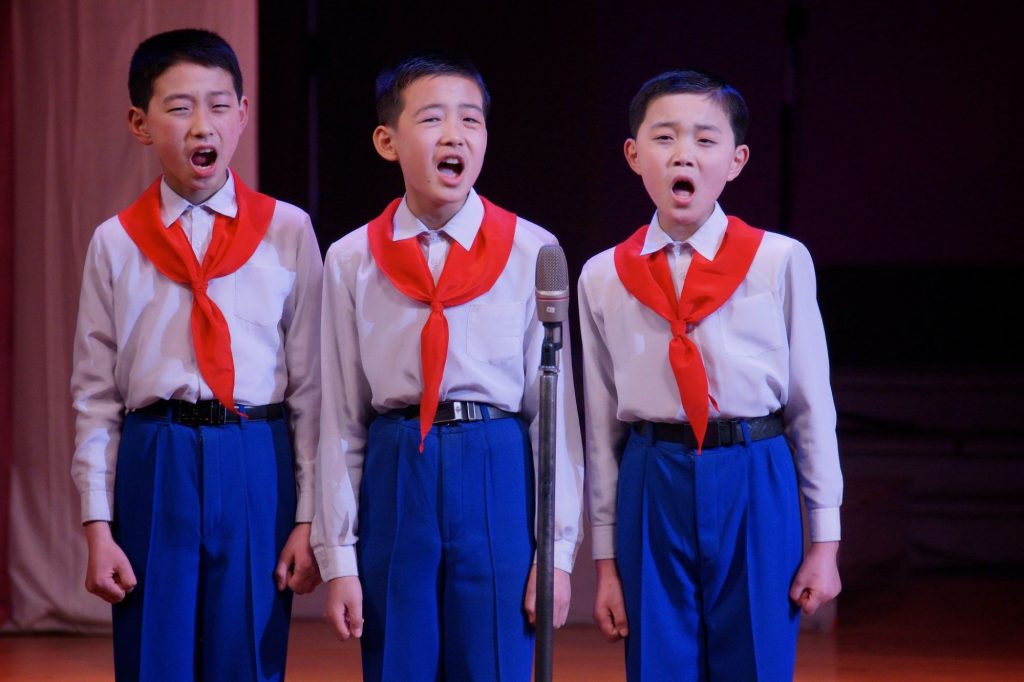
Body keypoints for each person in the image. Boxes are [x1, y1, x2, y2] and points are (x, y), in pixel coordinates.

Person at [311, 50, 585, 681]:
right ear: (387, 140)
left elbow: (553, 418)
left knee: (493, 660)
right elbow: (341, 419)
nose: (456, 135)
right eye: (433, 119)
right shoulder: (352, 258)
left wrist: (558, 553)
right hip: (397, 459)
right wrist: (341, 560)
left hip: (495, 461)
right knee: (398, 661)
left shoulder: (530, 249)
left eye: (472, 120)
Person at [69, 28, 323, 682]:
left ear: (243, 114)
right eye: (179, 108)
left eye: (217, 105)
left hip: (255, 453)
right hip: (156, 457)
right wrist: (99, 526)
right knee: (156, 656)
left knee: (248, 656)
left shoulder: (288, 231)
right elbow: (94, 396)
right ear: (140, 123)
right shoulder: (116, 243)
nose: (200, 124)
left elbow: (314, 389)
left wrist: (307, 518)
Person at [578, 69, 843, 680]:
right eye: (665, 137)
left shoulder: (778, 260)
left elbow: (811, 405)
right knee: (657, 665)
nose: (684, 155)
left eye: (705, 139)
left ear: (737, 160)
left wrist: (824, 543)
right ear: (634, 154)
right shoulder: (601, 276)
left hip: (755, 469)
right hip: (653, 474)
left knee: (755, 660)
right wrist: (607, 562)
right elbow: (599, 430)